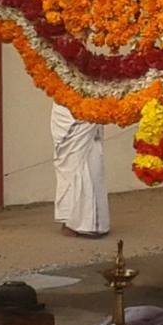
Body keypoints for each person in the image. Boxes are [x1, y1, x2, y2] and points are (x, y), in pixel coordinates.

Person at [49, 102, 110, 239]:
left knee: (91, 166)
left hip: (87, 111)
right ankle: (71, 221)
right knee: (70, 168)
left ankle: (93, 225)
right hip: (67, 113)